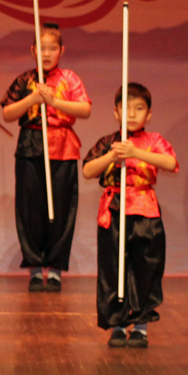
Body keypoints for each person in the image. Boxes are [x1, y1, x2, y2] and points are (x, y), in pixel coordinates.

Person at [82, 83, 178, 348]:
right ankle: (118, 324)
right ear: (116, 112)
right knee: (114, 268)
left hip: (145, 211)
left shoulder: (154, 141)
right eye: (126, 108)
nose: (132, 114)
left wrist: (136, 153)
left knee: (145, 267)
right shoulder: (108, 142)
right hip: (114, 213)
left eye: (139, 109)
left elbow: (171, 163)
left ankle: (142, 326)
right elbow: (88, 171)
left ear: (148, 115)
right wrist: (113, 155)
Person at [0, 23, 91, 292]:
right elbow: (7, 113)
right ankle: (35, 268)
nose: (47, 53)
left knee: (61, 209)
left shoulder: (70, 79)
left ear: (61, 50)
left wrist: (53, 102)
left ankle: (55, 270)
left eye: (52, 48)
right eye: (42, 48)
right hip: (30, 144)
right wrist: (34, 99)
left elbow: (84, 109)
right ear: (32, 50)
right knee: (30, 210)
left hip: (62, 146)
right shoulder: (24, 80)